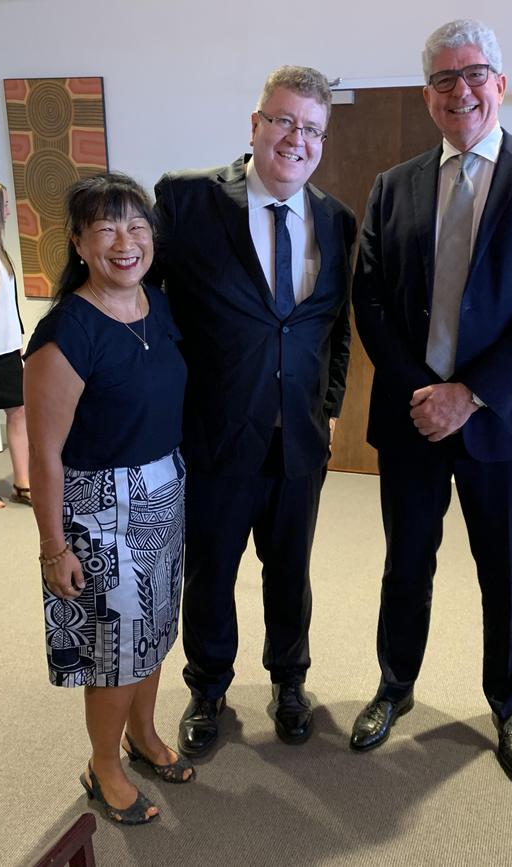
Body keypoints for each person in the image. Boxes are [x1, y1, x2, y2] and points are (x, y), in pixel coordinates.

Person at [350, 19, 512, 783]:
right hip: (412, 418)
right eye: (444, 80)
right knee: (405, 564)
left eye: (473, 74)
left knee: (506, 573)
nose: (462, 91)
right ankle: (395, 686)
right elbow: (371, 297)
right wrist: (426, 393)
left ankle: (507, 702)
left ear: (500, 81)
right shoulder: (394, 186)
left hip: (505, 422)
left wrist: (470, 394)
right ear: (428, 97)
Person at [152, 65, 356, 757]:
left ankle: (289, 680)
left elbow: (335, 328)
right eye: (286, 121)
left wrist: (327, 409)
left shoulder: (336, 218)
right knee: (210, 566)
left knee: (290, 567)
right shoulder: (186, 201)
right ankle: (208, 686)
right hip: (213, 433)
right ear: (256, 124)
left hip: (298, 440)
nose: (298, 140)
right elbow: (146, 307)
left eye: (313, 129)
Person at [23, 173, 194, 826]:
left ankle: (144, 736)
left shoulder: (159, 304)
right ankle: (104, 765)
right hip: (100, 509)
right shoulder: (66, 330)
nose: (125, 241)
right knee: (114, 649)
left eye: (136, 226)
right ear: (79, 243)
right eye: (106, 228)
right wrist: (52, 546)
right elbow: (43, 453)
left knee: (153, 631)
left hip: (164, 488)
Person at [0, 180, 30, 509]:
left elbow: (8, 305)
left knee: (18, 411)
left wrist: (17, 339)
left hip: (5, 349)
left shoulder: (2, 252)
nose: (8, 209)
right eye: (4, 204)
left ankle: (22, 483)